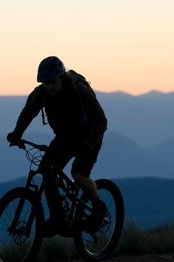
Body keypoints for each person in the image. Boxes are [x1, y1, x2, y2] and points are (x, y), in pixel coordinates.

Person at [6, 56, 107, 236]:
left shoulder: (79, 91)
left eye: (52, 81)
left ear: (61, 77)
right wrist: (17, 133)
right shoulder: (41, 93)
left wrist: (88, 144)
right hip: (65, 136)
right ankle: (58, 217)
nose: (49, 86)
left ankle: (98, 207)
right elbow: (28, 112)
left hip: (89, 135)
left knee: (79, 174)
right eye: (45, 82)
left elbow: (100, 120)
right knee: (47, 170)